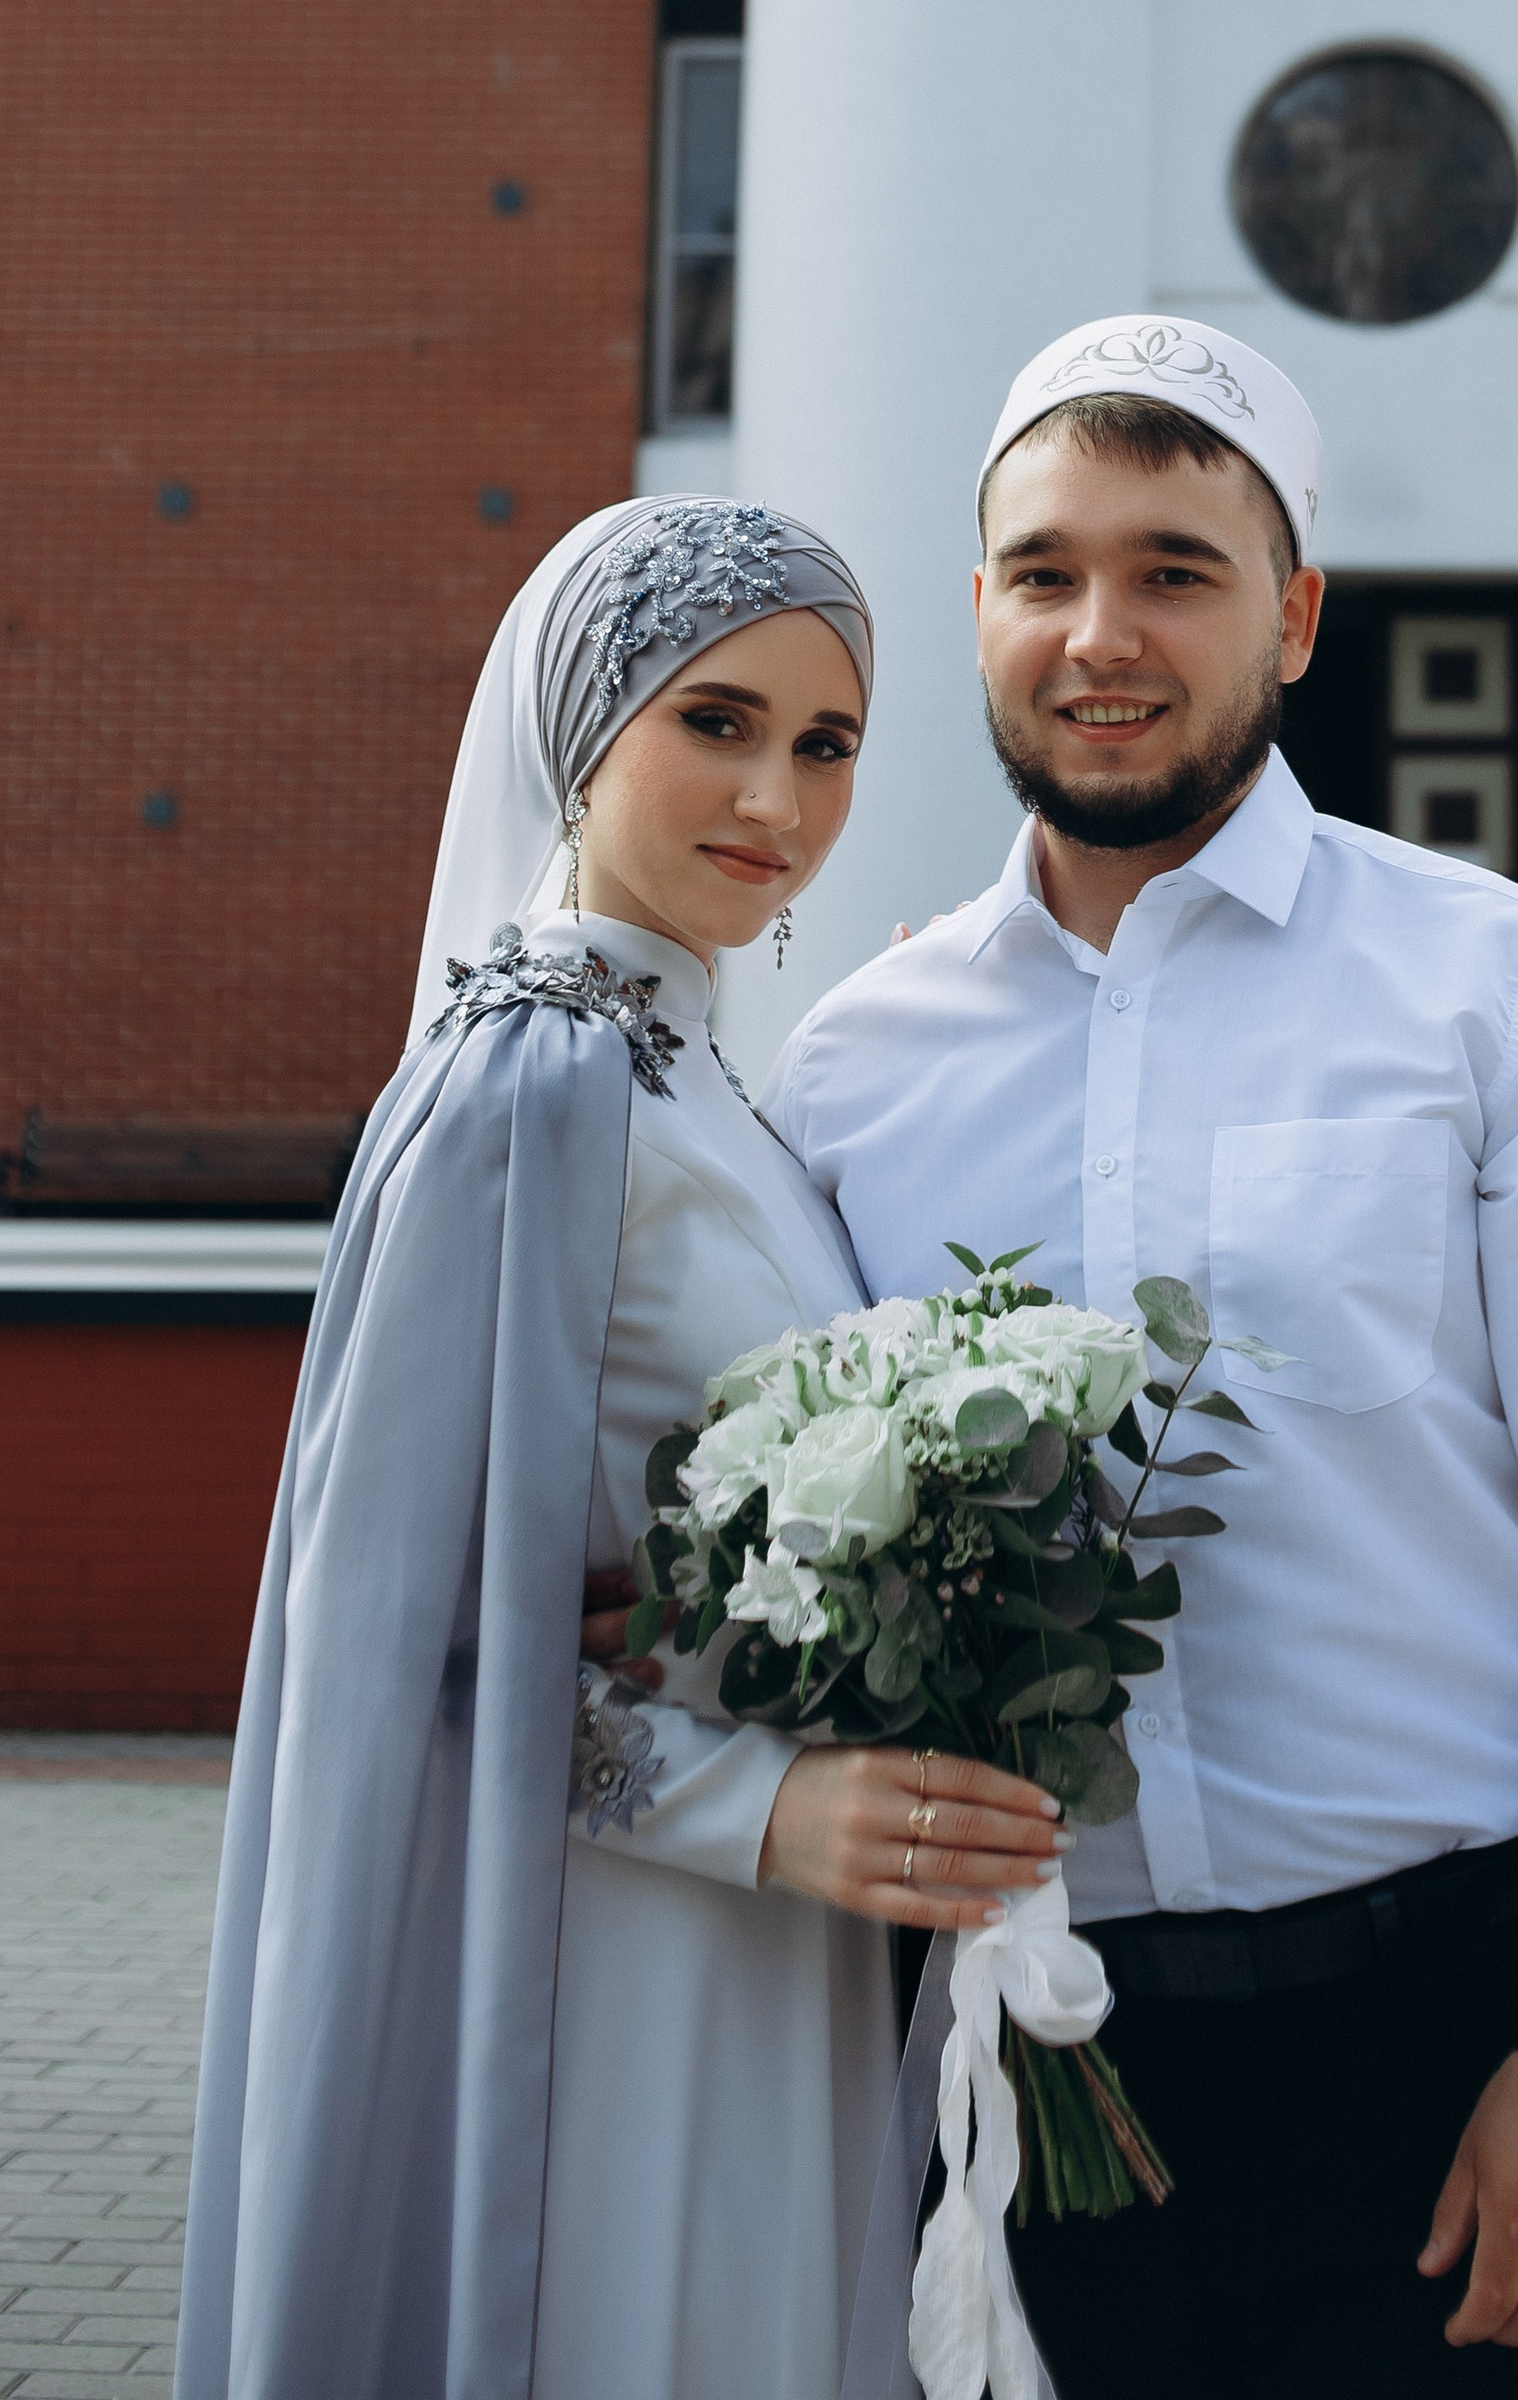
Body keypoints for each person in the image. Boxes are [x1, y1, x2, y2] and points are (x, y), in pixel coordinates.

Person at [759, 319, 1518, 2395]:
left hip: (1446, 2052)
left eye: (1175, 569)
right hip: (1028, 2065)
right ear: (977, 610)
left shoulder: (1504, 993)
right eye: (1042, 572)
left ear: (1295, 614)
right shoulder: (854, 1065)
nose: (1097, 633)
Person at [175, 496, 1064, 2400]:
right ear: (583, 730)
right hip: (622, 1956)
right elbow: (393, 1634)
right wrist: (756, 1806)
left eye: (827, 743)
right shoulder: (532, 1078)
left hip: (783, 1954)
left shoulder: (699, 1065)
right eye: (716, 722)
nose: (780, 796)